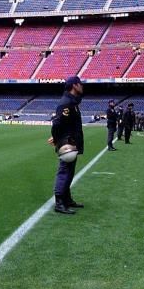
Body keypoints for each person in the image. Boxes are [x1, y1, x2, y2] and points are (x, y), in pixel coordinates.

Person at [48, 75, 85, 215]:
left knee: (69, 171)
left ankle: (67, 199)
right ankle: (59, 203)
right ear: (74, 85)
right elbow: (57, 123)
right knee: (64, 171)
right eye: (80, 84)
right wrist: (57, 139)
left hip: (71, 142)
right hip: (67, 144)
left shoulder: (72, 102)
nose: (82, 86)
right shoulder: (66, 103)